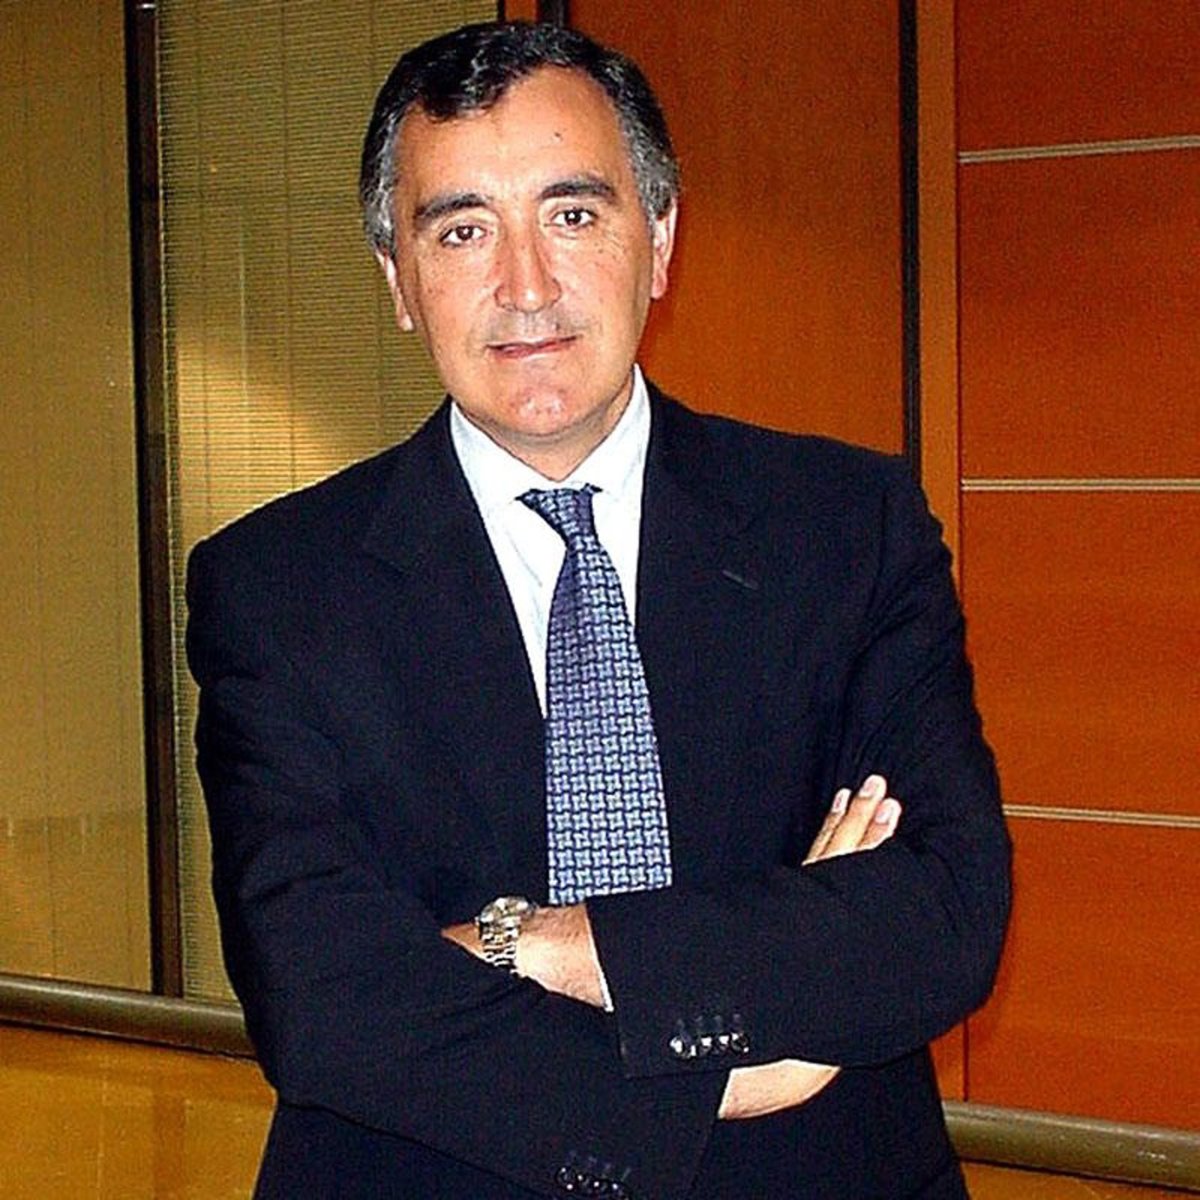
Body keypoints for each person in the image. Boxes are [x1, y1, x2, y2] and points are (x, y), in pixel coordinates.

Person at [186, 20, 1010, 1200]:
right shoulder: (277, 588)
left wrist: (535, 944)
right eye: (462, 230)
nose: (526, 287)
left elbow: (941, 907)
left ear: (658, 240)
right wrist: (724, 1068)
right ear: (399, 281)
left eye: (572, 213)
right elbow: (326, 995)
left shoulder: (845, 527)